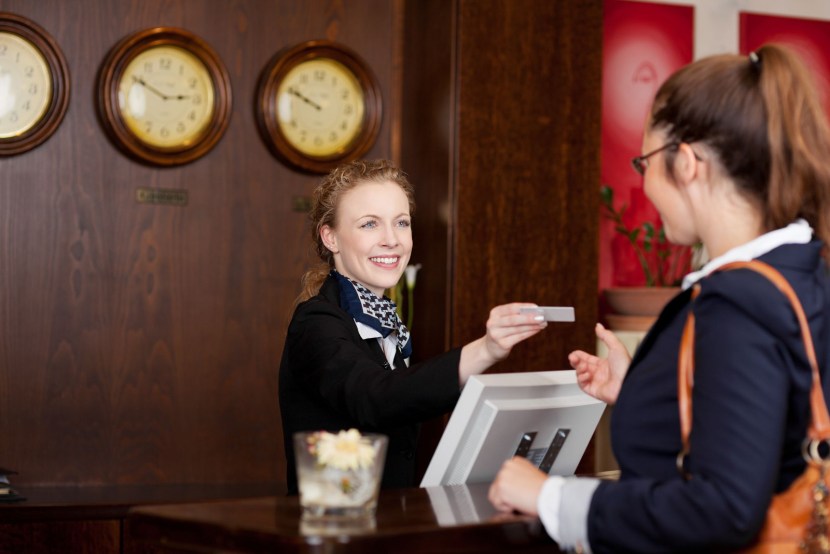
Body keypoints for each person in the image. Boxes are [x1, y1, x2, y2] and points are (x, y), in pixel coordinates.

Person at [489, 43, 830, 552]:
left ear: (687, 163)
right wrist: (654, 393)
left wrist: (551, 496)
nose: (643, 180)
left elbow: (723, 510)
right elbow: (771, 429)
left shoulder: (737, 303)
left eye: (645, 160)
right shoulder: (807, 272)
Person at [279, 159, 547, 493]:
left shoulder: (386, 322)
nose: (392, 240)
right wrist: (487, 349)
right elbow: (376, 398)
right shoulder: (316, 322)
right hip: (337, 530)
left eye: (401, 223)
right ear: (330, 237)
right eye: (369, 225)